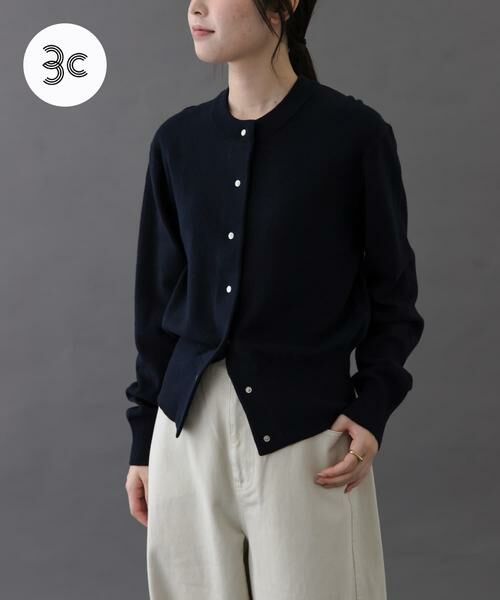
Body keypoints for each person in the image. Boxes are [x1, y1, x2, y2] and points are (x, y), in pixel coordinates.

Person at [124, 1, 425, 598]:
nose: (195, 6)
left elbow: (393, 295)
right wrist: (143, 442)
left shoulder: (354, 136)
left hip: (306, 436)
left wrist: (373, 406)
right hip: (185, 436)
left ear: (284, 4)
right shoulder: (177, 142)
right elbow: (155, 307)